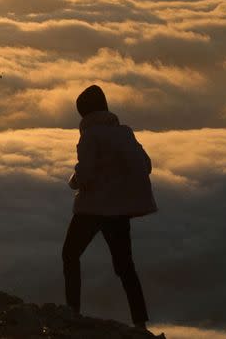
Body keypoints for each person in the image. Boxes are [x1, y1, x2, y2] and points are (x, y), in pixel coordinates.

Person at [62, 84, 157, 330]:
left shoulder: (90, 136)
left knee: (70, 255)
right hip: (119, 211)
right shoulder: (125, 133)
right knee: (125, 267)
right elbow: (145, 165)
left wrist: (73, 182)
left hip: (92, 209)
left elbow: (85, 173)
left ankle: (72, 312)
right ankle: (140, 324)